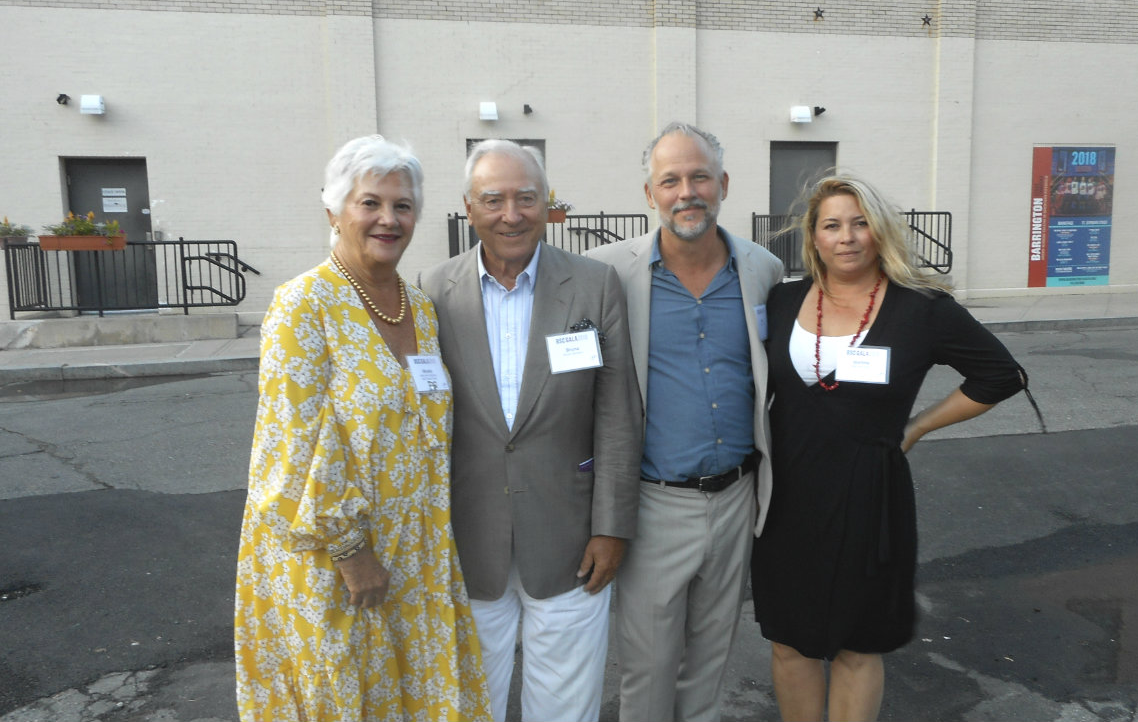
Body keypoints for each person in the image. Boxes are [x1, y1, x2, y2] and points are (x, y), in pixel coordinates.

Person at [751, 175, 1029, 721]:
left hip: (870, 496)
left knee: (858, 644)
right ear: (814, 237)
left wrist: (917, 427)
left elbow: (1000, 375)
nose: (847, 237)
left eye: (860, 224)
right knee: (789, 640)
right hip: (785, 496)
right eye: (832, 225)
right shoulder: (782, 301)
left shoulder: (921, 309)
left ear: (880, 232)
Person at [234, 135, 491, 721]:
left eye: (403, 206)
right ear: (334, 210)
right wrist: (352, 553)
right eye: (370, 203)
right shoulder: (304, 305)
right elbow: (290, 449)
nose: (388, 219)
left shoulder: (418, 307)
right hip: (334, 560)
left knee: (419, 697)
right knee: (348, 698)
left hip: (419, 551)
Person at [417, 140, 642, 722]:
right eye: (493, 199)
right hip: (467, 540)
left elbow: (617, 414)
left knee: (566, 707)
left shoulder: (594, 284)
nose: (511, 214)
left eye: (526, 198)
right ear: (469, 207)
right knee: (471, 706)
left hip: (572, 541)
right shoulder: (432, 291)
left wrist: (612, 526)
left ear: (548, 204)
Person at [589, 122, 785, 722]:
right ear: (650, 194)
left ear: (723, 184)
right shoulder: (606, 274)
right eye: (670, 180)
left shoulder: (763, 269)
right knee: (648, 671)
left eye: (699, 177)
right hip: (654, 505)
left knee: (709, 665)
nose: (686, 192)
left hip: (737, 499)